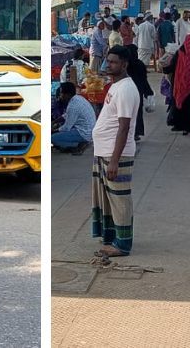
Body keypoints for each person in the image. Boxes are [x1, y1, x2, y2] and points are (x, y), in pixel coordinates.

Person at [91, 45, 140, 258]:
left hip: (115, 153)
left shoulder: (127, 89)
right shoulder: (115, 85)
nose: (108, 65)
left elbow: (124, 126)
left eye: (113, 62)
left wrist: (114, 161)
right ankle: (111, 236)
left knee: (120, 199)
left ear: (124, 64)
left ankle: (123, 244)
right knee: (108, 197)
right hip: (104, 150)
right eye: (107, 61)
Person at [167, 34, 190, 135]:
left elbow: (172, 65)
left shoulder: (180, 52)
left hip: (180, 84)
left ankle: (179, 125)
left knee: (180, 104)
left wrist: (166, 70)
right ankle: (189, 127)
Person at [52, 81, 95, 153]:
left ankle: (77, 145)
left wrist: (53, 131)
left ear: (67, 94)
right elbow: (66, 115)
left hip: (84, 134)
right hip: (88, 130)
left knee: (52, 138)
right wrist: (54, 122)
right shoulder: (77, 98)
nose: (60, 96)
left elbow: (66, 127)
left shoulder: (72, 106)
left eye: (61, 93)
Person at [126, 45, 153, 141]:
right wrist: (148, 92)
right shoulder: (140, 64)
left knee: (128, 112)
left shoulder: (125, 65)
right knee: (137, 112)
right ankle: (136, 132)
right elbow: (144, 79)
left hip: (127, 92)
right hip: (138, 91)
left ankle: (129, 132)